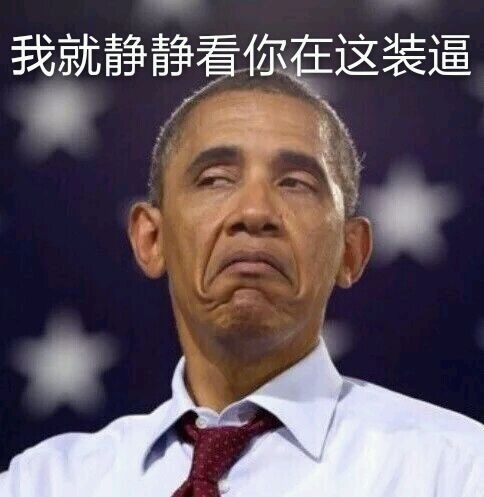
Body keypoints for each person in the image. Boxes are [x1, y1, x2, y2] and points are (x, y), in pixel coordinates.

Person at [1, 69, 483, 497]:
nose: (254, 212)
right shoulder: (42, 483)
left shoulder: (458, 472)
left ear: (350, 251)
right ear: (151, 239)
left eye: (295, 182)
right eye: (215, 179)